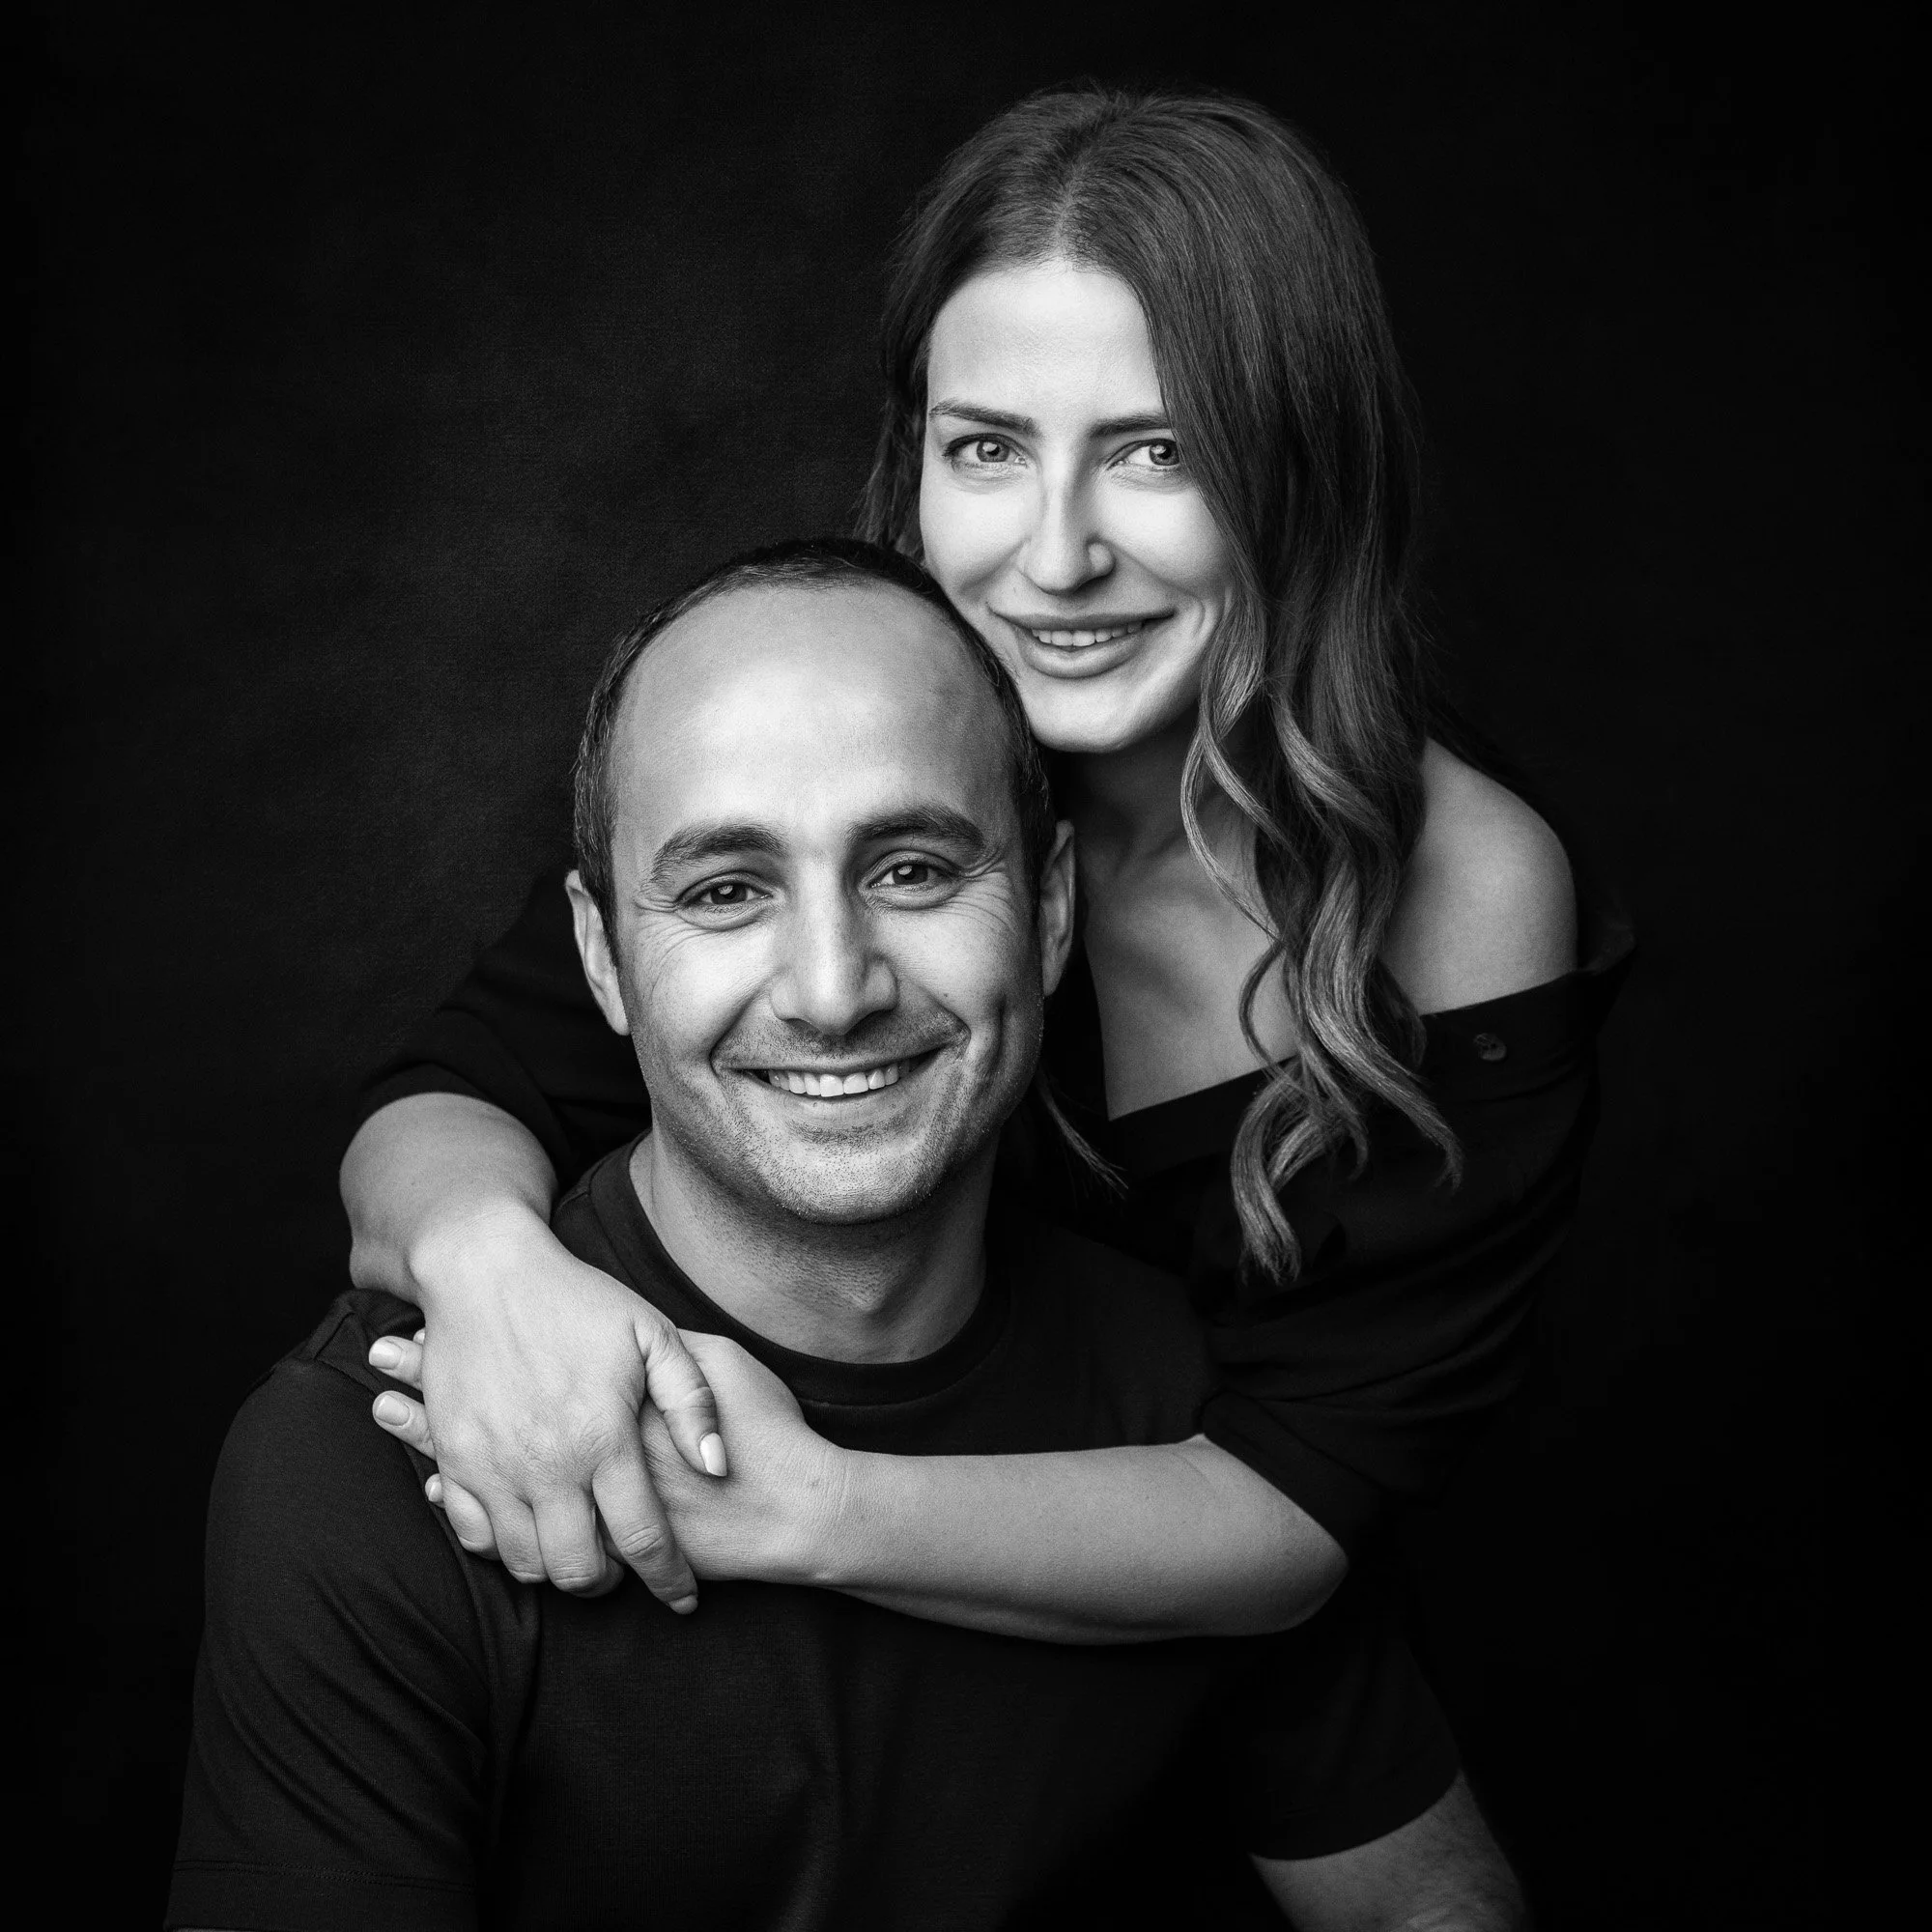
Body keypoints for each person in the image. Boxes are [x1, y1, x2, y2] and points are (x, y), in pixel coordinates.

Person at [345, 85, 1631, 1634]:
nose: (1058, 555)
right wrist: (487, 1265)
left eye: (1157, 451)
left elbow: (1302, 1506)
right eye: (989, 449)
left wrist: (802, 1507)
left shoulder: (1468, 888)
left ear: (1304, 464)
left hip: (1206, 1686)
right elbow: (453, 1093)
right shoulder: (864, 720)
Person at [170, 545, 1524, 1930]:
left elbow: (1423, 1903)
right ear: (599, 961)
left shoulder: (1199, 1416)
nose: (832, 992)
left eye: (914, 869)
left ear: (1052, 912)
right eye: (725, 891)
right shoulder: (377, 1456)